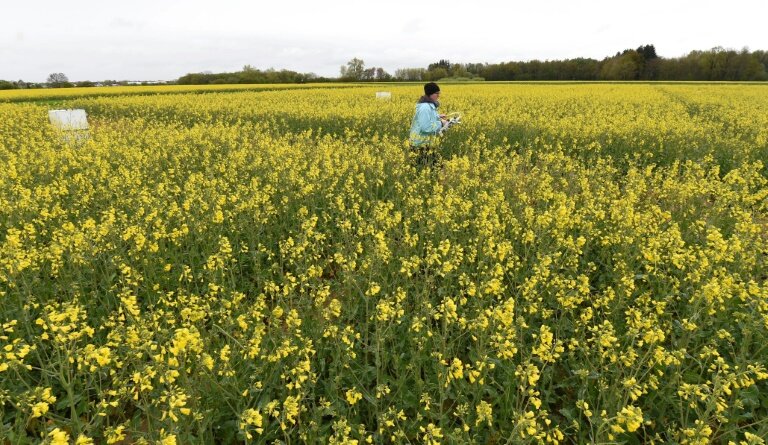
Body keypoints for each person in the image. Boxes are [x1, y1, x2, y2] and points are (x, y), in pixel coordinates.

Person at [409, 82, 448, 168]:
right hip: (420, 144)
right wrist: (441, 123)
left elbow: (428, 119)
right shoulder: (425, 108)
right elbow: (426, 127)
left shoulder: (429, 106)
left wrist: (438, 116)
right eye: (436, 93)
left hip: (425, 142)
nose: (438, 95)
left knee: (432, 167)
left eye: (439, 93)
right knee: (424, 169)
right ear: (430, 94)